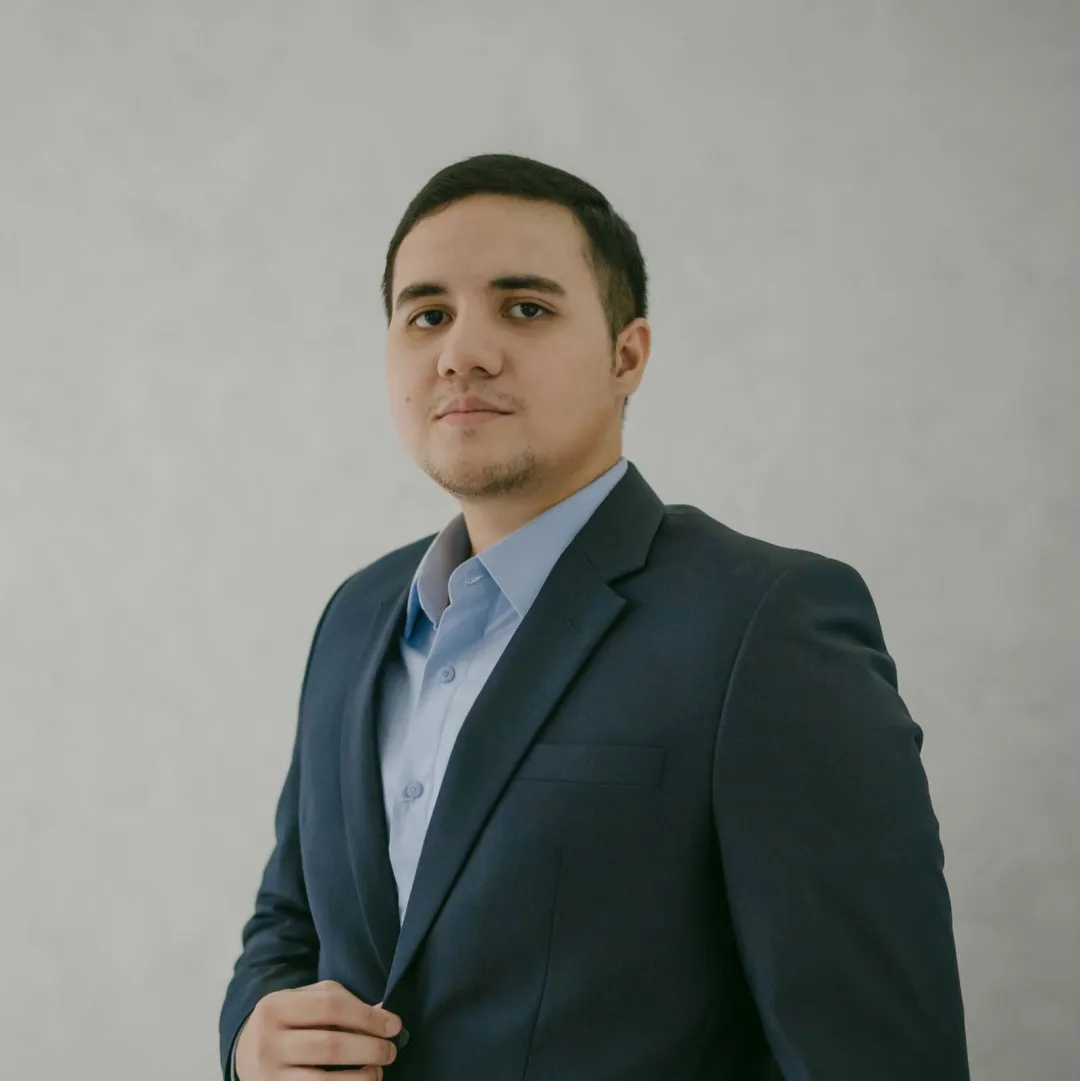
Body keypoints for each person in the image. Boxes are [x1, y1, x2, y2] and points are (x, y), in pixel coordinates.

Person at [219, 152, 970, 1080]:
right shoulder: (355, 616)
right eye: (428, 315)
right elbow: (289, 920)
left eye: (525, 308)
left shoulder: (765, 628)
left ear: (628, 355)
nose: (462, 353)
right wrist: (253, 1040)